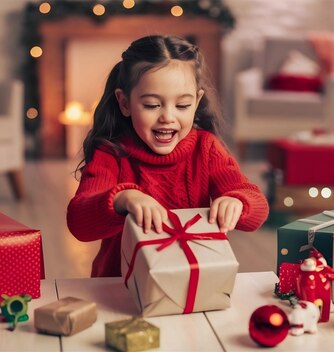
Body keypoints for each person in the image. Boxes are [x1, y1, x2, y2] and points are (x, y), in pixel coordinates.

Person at [67, 35, 269, 277]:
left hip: (193, 281)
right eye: (152, 105)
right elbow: (79, 223)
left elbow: (257, 208)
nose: (168, 117)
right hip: (120, 285)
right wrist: (123, 198)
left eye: (182, 106)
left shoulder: (206, 148)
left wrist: (237, 201)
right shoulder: (111, 153)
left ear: (196, 102)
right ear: (124, 103)